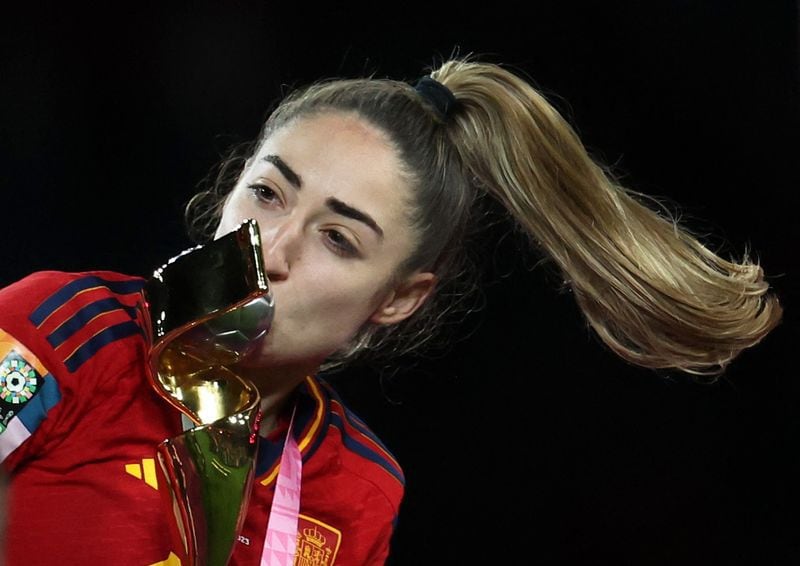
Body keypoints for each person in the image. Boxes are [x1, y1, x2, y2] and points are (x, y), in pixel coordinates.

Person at [0, 55, 783, 565]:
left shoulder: (356, 490)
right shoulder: (62, 334)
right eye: (268, 193)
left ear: (400, 299)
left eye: (338, 239)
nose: (273, 249)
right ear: (229, 184)